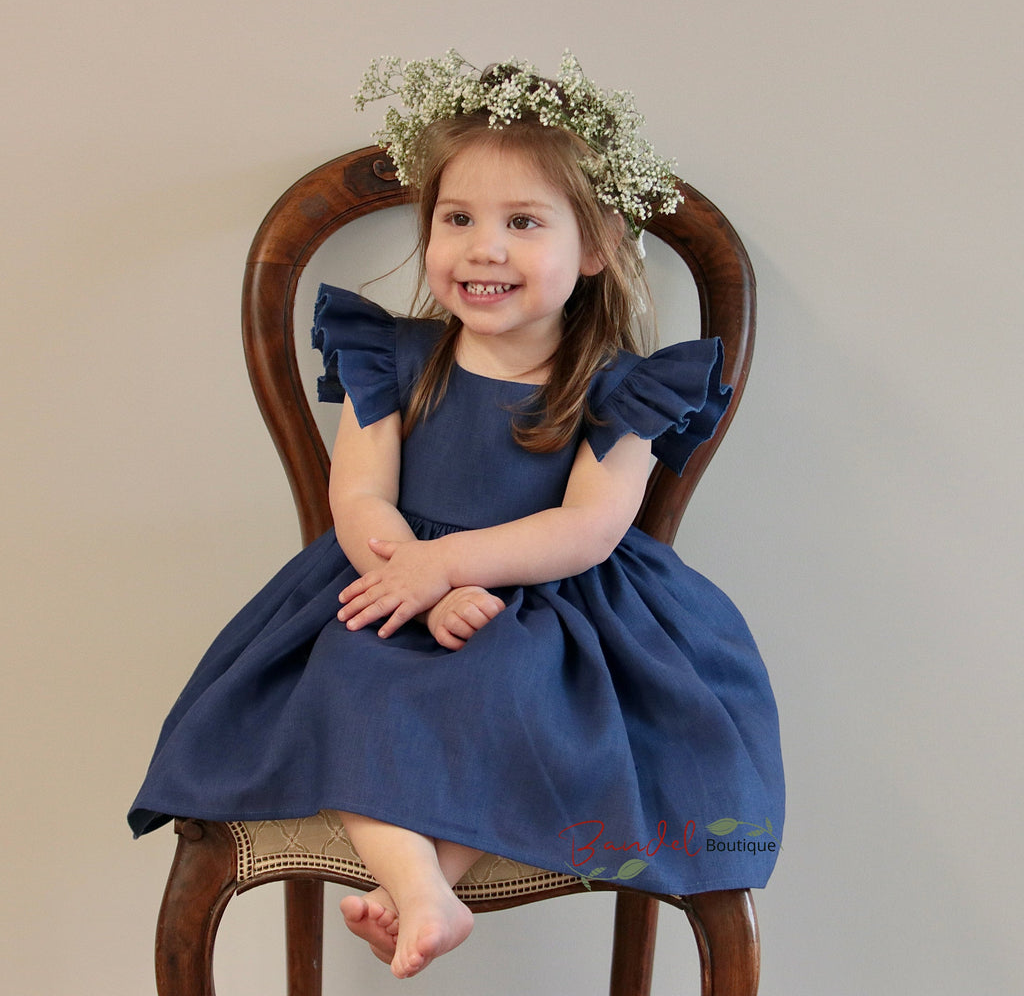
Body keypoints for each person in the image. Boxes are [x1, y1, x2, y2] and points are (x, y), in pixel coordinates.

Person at [129, 51, 784, 980]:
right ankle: (421, 889)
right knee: (344, 677)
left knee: (511, 690)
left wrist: (457, 568)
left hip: (557, 607)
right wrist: (417, 576)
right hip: (390, 576)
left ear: (593, 248)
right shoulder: (392, 359)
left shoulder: (623, 390)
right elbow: (356, 496)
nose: (484, 247)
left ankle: (427, 885)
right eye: (458, 219)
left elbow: (587, 531)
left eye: (523, 222)